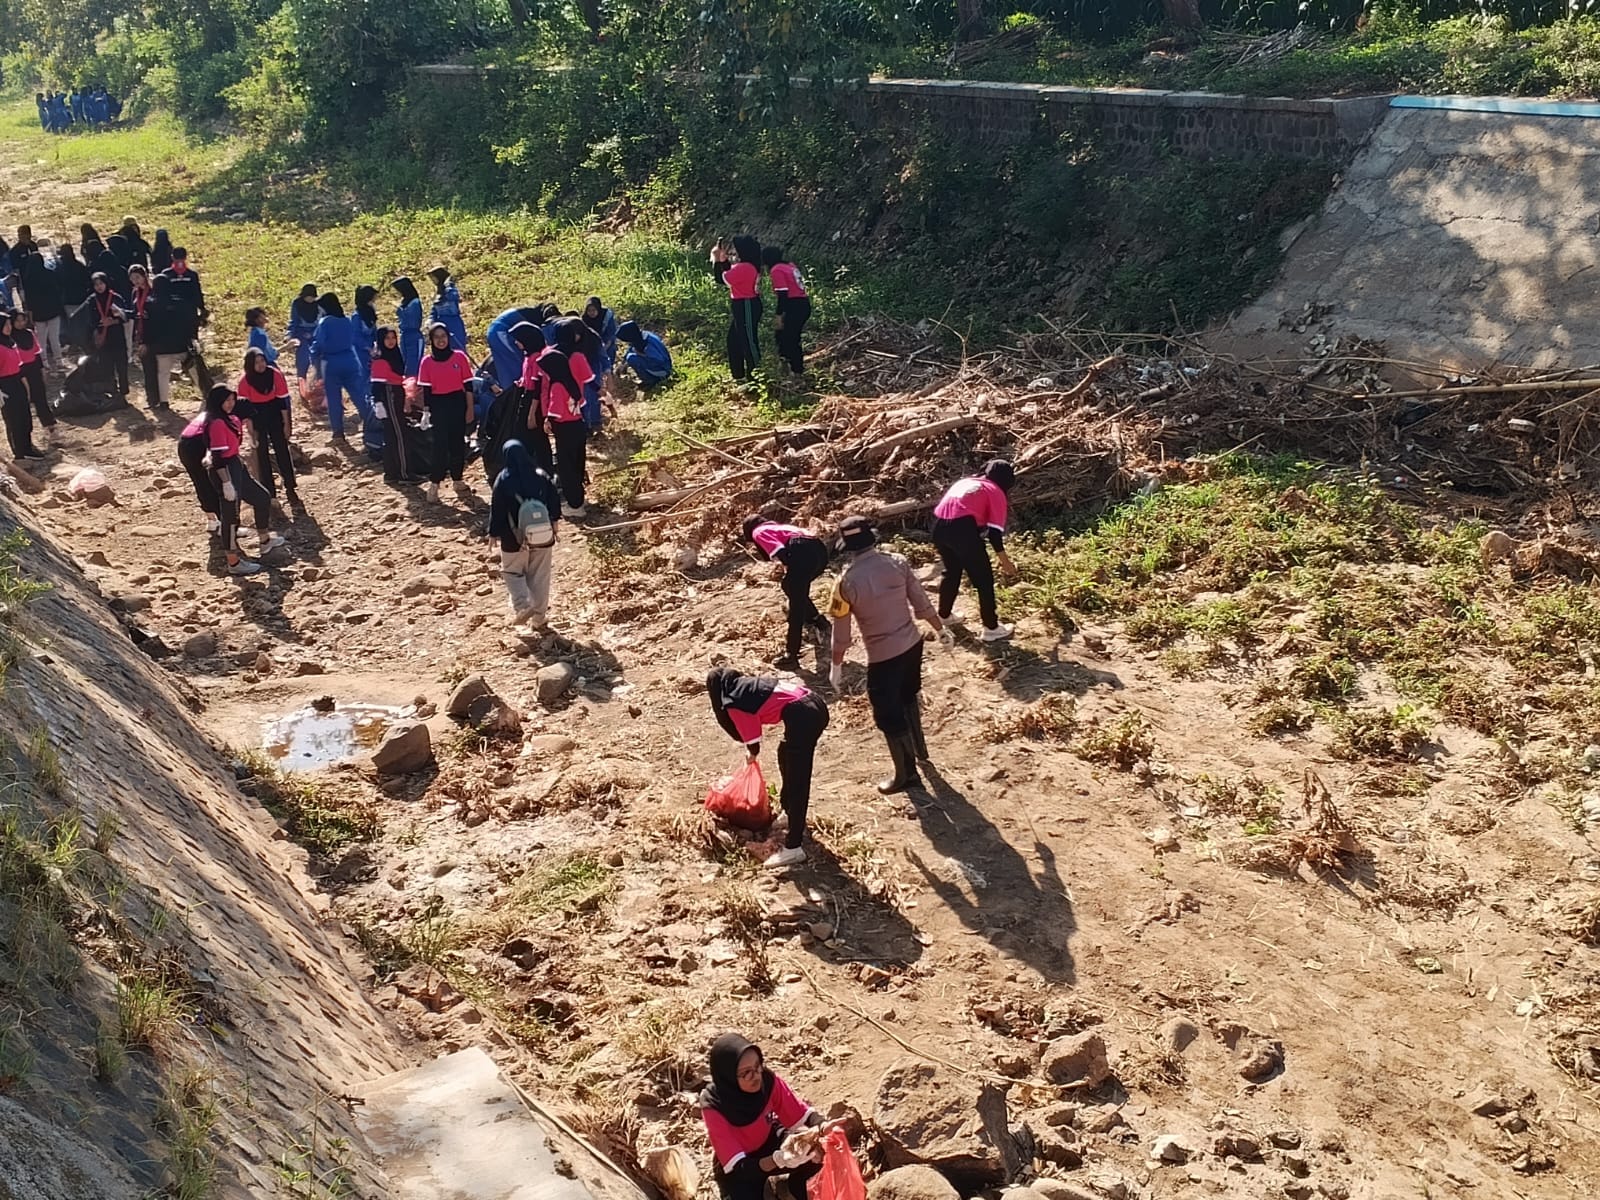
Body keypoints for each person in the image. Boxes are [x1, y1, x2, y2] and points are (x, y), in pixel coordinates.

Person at [828, 516, 950, 798]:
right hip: (912, 645)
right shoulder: (897, 562)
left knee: (887, 714)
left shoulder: (844, 583)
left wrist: (836, 666)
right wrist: (941, 630)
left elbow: (842, 635)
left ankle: (906, 774)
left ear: (847, 547)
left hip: (883, 658)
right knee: (908, 696)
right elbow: (921, 603)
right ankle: (920, 751)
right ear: (872, 538)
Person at [707, 668, 830, 868]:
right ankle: (789, 812)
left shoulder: (733, 700)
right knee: (785, 754)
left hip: (803, 714)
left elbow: (752, 739)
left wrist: (751, 755)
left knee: (798, 777)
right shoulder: (744, 686)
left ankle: (794, 847)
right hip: (814, 702)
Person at [700, 1034, 829, 1200]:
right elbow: (739, 1167)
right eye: (746, 1073)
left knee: (815, 1154)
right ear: (729, 1077)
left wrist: (824, 1126)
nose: (756, 1075)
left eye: (757, 1066)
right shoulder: (714, 1106)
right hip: (742, 1168)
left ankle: (792, 1187)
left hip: (771, 1141)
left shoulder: (767, 1081)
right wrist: (777, 1160)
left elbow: (802, 1114)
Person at [202, 384, 283, 576]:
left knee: (261, 497)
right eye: (226, 401)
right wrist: (226, 482)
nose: (230, 404)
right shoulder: (216, 423)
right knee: (230, 516)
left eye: (232, 400)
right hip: (224, 470)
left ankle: (264, 540)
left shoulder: (229, 419)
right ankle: (233, 561)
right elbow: (218, 456)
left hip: (235, 464)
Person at [932, 460, 1017, 642]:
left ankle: (944, 616)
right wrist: (1006, 562)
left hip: (939, 527)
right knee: (983, 580)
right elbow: (994, 534)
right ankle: (991, 628)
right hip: (962, 531)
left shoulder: (966, 482)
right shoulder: (994, 491)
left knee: (952, 572)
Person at [488, 439, 563, 629]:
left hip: (513, 538)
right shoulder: (540, 475)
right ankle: (539, 619)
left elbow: (497, 509)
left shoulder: (503, 479)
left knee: (513, 572)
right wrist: (554, 523)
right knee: (540, 577)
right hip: (543, 535)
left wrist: (493, 533)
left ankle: (522, 606)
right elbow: (554, 501)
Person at [740, 518, 832, 670]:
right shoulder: (782, 527)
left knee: (796, 605)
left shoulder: (758, 531)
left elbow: (781, 552)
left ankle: (791, 655)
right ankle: (817, 619)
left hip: (802, 553)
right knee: (790, 586)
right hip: (819, 552)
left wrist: (788, 565)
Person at [537, 329, 593, 516]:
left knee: (566, 467)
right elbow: (580, 403)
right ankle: (580, 498)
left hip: (565, 429)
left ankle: (575, 505)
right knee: (578, 463)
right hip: (578, 426)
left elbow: (556, 412)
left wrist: (548, 421)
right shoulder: (572, 383)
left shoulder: (557, 386)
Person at [417, 322, 475, 502]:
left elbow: (468, 386)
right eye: (437, 337)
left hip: (457, 402)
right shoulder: (427, 362)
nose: (441, 340)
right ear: (431, 340)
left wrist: (470, 408)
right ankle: (435, 483)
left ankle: (458, 479)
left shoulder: (459, 358)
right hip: (438, 405)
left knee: (457, 443)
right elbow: (426, 390)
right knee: (439, 446)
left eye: (443, 336)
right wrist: (426, 412)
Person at [309, 292, 372, 447]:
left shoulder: (325, 322)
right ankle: (372, 424)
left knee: (334, 399)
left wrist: (314, 361)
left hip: (331, 362)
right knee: (359, 396)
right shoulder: (347, 320)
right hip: (350, 360)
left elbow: (319, 344)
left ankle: (338, 433)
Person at [236, 347, 296, 502]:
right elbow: (245, 410)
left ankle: (290, 485)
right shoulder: (245, 381)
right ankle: (269, 491)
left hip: (274, 412)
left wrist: (286, 424)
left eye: (262, 361)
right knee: (261, 454)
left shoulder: (274, 374)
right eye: (256, 362)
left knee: (282, 448)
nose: (261, 365)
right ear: (250, 364)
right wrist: (251, 432)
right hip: (256, 416)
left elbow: (282, 401)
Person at [711, 236, 763, 380]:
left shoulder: (745, 267)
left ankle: (756, 377)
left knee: (748, 341)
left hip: (747, 305)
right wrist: (722, 260)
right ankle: (739, 376)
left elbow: (721, 278)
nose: (734, 251)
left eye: (736, 249)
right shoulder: (747, 266)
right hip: (743, 305)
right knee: (733, 341)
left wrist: (716, 259)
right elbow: (728, 272)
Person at [370, 326, 417, 483]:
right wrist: (378, 403)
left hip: (396, 393)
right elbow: (376, 385)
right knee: (400, 435)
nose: (390, 342)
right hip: (389, 395)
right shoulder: (381, 359)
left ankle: (391, 474)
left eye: (393, 338)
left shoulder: (395, 355)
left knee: (391, 435)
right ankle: (405, 473)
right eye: (387, 338)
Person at [141, 275, 190, 410]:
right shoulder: (180, 302)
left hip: (161, 347)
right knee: (192, 369)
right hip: (180, 344)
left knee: (163, 374)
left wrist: (145, 342)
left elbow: (148, 327)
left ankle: (164, 402)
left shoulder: (149, 304)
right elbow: (187, 323)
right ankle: (206, 394)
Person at [0, 311, 45, 460]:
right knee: (14, 419)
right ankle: (19, 451)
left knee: (25, 416)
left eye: (8, 324)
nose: (8, 327)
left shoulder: (10, 342)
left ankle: (27, 445)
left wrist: (24, 383)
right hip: (5, 386)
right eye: (5, 325)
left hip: (17, 380)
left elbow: (18, 365)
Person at [762, 247, 811, 375]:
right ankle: (786, 364)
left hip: (794, 306)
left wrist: (778, 315)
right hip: (803, 303)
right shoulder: (789, 265)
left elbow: (783, 295)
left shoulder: (776, 270)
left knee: (790, 339)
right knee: (782, 335)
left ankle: (796, 371)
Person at [10, 311, 56, 445]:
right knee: (24, 405)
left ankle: (51, 427)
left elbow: (37, 354)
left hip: (34, 371)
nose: (20, 323)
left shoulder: (29, 333)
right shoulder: (10, 339)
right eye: (17, 321)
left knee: (41, 400)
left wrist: (42, 371)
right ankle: (26, 438)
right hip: (19, 374)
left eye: (22, 320)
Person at [177, 402, 221, 536]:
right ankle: (225, 524)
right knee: (215, 482)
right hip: (198, 445)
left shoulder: (206, 414)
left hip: (184, 444)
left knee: (199, 482)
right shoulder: (221, 418)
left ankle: (212, 520)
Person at [17, 247, 64, 369]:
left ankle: (44, 362)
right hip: (53, 311)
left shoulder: (28, 279)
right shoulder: (49, 274)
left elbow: (29, 300)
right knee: (54, 338)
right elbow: (57, 293)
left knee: (40, 340)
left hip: (38, 314)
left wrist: (30, 315)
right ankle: (59, 360)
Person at [87, 272, 129, 399]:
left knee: (121, 364)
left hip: (116, 334)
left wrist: (113, 321)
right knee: (107, 365)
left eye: (101, 283)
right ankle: (112, 389)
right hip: (103, 336)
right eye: (96, 285)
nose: (99, 287)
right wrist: (99, 324)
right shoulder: (92, 300)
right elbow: (89, 319)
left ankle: (124, 389)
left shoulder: (115, 297)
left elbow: (125, 316)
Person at [580, 295, 617, 429]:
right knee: (591, 390)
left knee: (596, 389)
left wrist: (604, 347)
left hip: (603, 350)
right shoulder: (583, 321)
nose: (592, 313)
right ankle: (591, 420)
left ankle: (595, 421)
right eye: (589, 311)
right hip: (589, 359)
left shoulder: (607, 316)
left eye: (594, 310)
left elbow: (611, 334)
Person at [485, 306, 542, 391]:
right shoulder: (538, 319)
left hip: (495, 332)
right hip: (501, 331)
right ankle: (518, 392)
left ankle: (509, 393)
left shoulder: (530, 312)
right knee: (518, 363)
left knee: (504, 367)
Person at [615, 320, 672, 388]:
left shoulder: (647, 344)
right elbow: (631, 348)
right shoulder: (641, 336)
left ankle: (650, 380)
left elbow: (659, 360)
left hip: (663, 370)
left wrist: (641, 355)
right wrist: (623, 364)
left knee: (631, 358)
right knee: (629, 356)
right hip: (663, 366)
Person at [426, 265, 468, 351]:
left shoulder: (450, 289)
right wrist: (430, 320)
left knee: (457, 348)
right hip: (440, 324)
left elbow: (453, 297)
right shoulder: (438, 293)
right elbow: (434, 309)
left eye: (434, 278)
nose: (433, 281)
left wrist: (448, 285)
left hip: (453, 323)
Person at [286, 284, 321, 379]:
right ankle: (301, 378)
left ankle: (319, 380)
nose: (310, 300)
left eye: (312, 297)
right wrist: (289, 335)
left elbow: (322, 321)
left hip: (316, 332)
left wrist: (314, 333)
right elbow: (294, 321)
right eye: (308, 297)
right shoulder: (297, 304)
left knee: (318, 358)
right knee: (303, 358)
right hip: (301, 332)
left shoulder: (319, 304)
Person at [392, 276, 424, 375]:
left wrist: (400, 311)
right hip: (404, 335)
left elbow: (413, 320)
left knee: (414, 364)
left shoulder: (414, 302)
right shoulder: (404, 301)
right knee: (404, 363)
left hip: (413, 334)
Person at [126, 263, 152, 364]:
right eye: (132, 279)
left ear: (144, 276)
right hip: (140, 326)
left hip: (151, 326)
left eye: (137, 277)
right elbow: (133, 311)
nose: (135, 281)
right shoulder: (135, 292)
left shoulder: (152, 290)